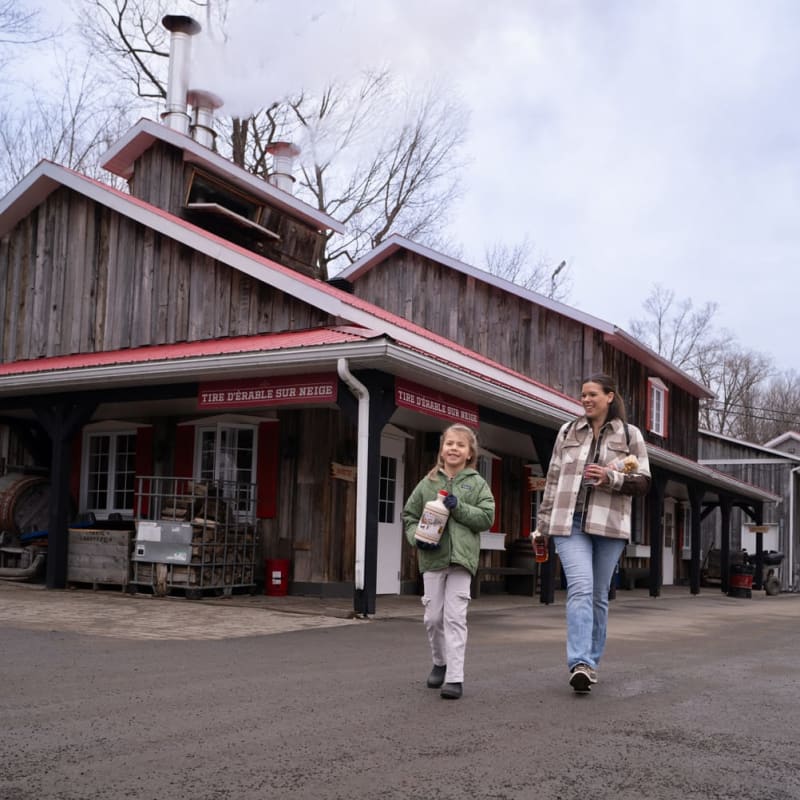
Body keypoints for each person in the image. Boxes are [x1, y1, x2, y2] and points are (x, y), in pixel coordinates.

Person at [533, 374, 650, 693]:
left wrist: (610, 478)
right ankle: (579, 662)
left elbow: (643, 482)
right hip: (568, 523)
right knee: (580, 588)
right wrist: (542, 527)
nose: (585, 400)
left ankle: (591, 663)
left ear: (609, 397)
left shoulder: (629, 434)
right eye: (582, 395)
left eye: (592, 394)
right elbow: (553, 480)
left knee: (599, 595)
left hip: (609, 525)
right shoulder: (567, 431)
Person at [402, 423, 495, 700]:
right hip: (432, 558)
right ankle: (440, 662)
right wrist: (415, 537)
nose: (454, 448)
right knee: (433, 618)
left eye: (460, 445)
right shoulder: (428, 483)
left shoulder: (477, 483)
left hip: (462, 561)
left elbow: (487, 517)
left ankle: (455, 678)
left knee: (455, 618)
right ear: (442, 450)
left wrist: (460, 507)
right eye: (449, 444)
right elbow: (409, 515)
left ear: (469, 453)